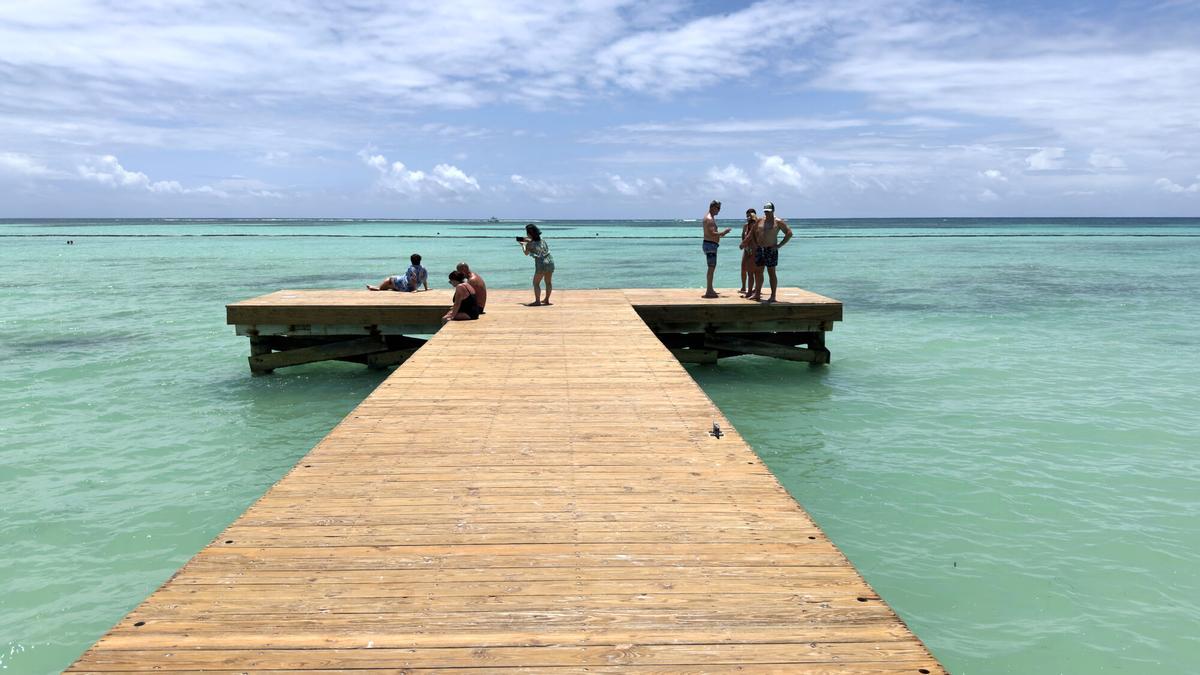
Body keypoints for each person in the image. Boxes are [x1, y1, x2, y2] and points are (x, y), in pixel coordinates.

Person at [748, 202, 793, 303]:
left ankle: (773, 296)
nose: (767, 213)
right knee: (758, 272)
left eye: (768, 211)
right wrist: (755, 244)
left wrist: (779, 245)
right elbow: (753, 232)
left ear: (773, 211)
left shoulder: (778, 222)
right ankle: (757, 293)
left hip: (770, 250)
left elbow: (789, 233)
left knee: (771, 273)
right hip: (760, 249)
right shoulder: (760, 220)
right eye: (765, 211)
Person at [701, 199, 732, 298]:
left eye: (720, 208)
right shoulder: (709, 219)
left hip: (710, 244)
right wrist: (724, 232)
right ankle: (709, 290)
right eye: (718, 208)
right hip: (710, 245)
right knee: (711, 268)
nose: (719, 210)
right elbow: (711, 233)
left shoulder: (710, 217)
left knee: (712, 267)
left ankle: (710, 288)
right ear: (712, 207)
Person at [518, 223, 554, 305]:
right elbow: (538, 244)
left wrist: (523, 245)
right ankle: (547, 300)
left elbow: (526, 253)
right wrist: (527, 240)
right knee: (548, 282)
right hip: (550, 261)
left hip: (541, 263)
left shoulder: (530, 244)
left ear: (529, 233)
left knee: (536, 283)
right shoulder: (542, 239)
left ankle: (537, 301)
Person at [738, 208, 758, 297]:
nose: (749, 217)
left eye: (750, 215)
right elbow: (744, 235)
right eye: (747, 215)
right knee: (743, 267)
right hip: (747, 249)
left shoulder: (756, 225)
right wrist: (744, 244)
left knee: (754, 271)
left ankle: (755, 288)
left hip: (754, 250)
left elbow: (753, 237)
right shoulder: (746, 225)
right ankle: (743, 287)